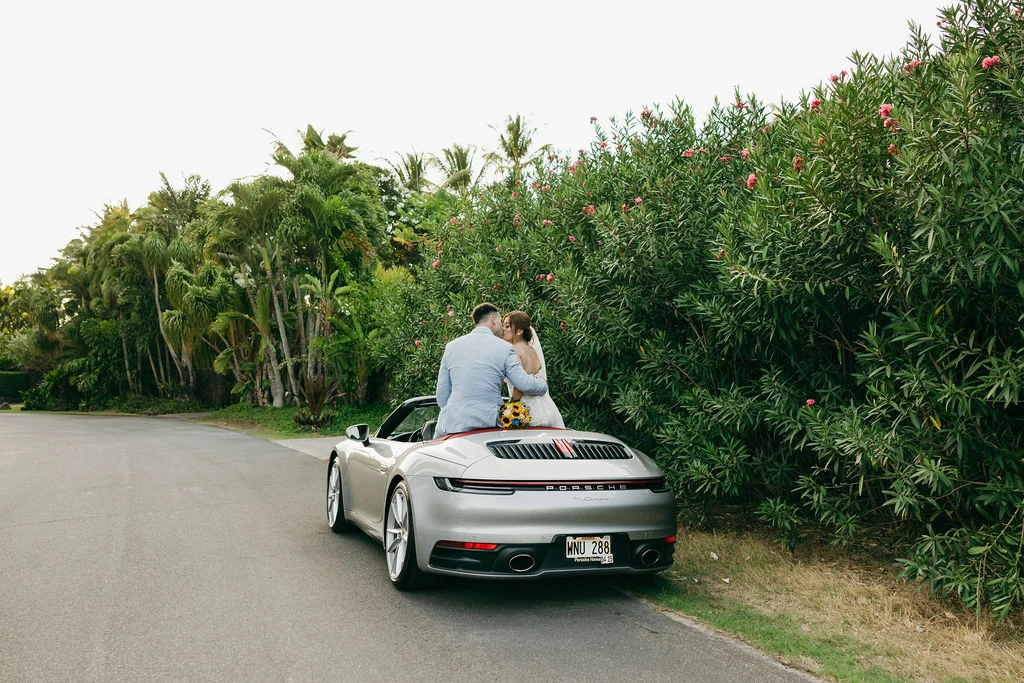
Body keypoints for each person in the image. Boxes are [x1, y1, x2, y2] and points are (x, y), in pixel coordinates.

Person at [435, 302, 549, 437]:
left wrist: (457, 413)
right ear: (493, 320)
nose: (502, 327)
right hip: (489, 424)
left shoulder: (451, 347)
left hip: (454, 425)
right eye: (501, 321)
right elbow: (523, 384)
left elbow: (442, 396)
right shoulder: (504, 348)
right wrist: (542, 384)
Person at [502, 310, 565, 428]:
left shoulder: (514, 350)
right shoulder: (531, 349)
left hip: (528, 411)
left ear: (519, 331)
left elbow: (520, 386)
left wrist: (510, 408)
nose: (503, 329)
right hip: (547, 407)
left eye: (507, 326)